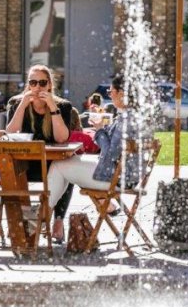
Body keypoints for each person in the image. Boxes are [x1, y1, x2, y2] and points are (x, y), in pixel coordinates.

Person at [5, 64, 75, 243]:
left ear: (50, 85)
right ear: (28, 85)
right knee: (11, 172)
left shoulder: (63, 106)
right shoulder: (16, 103)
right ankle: (23, 223)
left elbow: (61, 139)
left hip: (51, 164)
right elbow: (10, 133)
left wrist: (52, 106)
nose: (37, 88)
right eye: (33, 82)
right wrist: (22, 105)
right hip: (25, 165)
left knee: (66, 168)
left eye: (42, 83)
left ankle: (57, 220)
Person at [47, 78, 137, 214]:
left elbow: (109, 154)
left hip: (116, 178)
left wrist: (100, 130)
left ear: (121, 93)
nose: (109, 94)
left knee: (58, 166)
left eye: (111, 91)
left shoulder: (126, 119)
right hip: (124, 176)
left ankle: (43, 213)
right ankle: (47, 213)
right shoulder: (132, 116)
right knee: (70, 164)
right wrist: (103, 128)